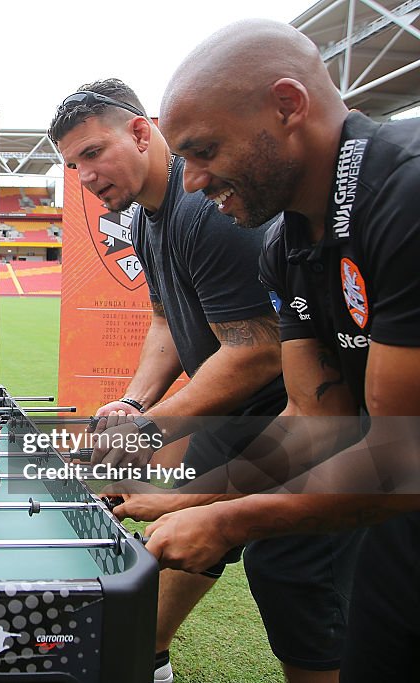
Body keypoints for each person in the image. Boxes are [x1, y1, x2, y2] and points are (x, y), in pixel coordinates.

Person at [48, 79, 359, 683]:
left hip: (291, 417)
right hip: (234, 415)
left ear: (142, 132)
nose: (84, 175)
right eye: (71, 164)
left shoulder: (206, 211)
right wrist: (136, 402)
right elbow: (166, 320)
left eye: (92, 153)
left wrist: (155, 425)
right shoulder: (145, 217)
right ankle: (146, 656)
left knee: (293, 573)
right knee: (169, 533)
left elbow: (257, 350)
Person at [153, 19, 420, 680]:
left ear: (288, 104)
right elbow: (312, 418)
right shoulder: (285, 245)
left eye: (204, 149)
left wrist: (227, 520)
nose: (190, 181)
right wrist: (198, 495)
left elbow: (399, 454)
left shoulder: (406, 194)